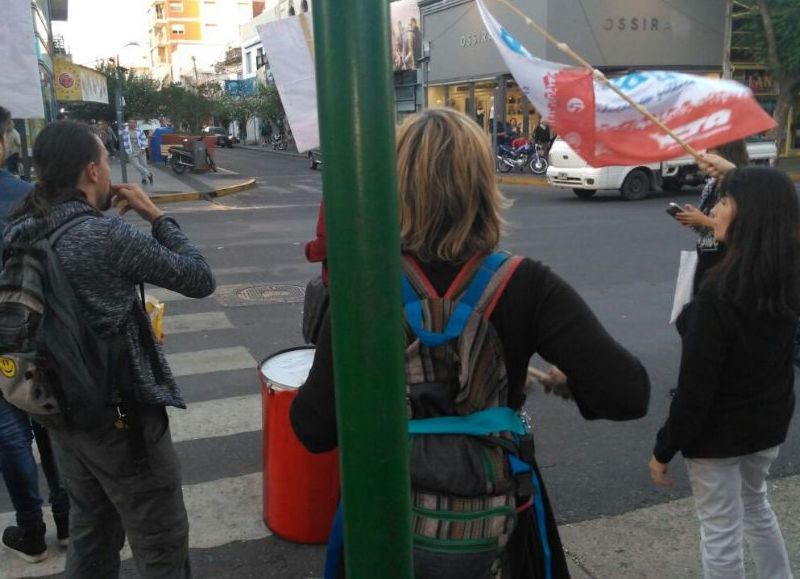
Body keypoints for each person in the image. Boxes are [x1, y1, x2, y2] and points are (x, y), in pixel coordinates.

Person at [289, 108, 650, 578]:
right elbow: (628, 394)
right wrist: (571, 382)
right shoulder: (527, 285)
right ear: (482, 187)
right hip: (500, 535)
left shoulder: (363, 289)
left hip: (388, 527)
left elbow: (311, 429)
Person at [3, 120, 215, 577]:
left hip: (59, 408)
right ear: (93, 172)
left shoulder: (20, 226)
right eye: (102, 158)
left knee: (92, 529)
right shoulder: (103, 235)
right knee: (160, 538)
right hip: (121, 416)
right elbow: (199, 278)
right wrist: (156, 215)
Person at [650, 160, 797, 579]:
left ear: (749, 214)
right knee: (756, 505)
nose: (714, 209)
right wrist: (740, 176)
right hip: (766, 426)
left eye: (726, 200)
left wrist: (664, 448)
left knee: (719, 530)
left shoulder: (718, 298)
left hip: (718, 434)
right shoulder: (785, 277)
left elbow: (695, 391)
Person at [0, 105, 71, 563]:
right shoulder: (27, 196)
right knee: (48, 422)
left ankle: (30, 530)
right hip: (35, 327)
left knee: (9, 433)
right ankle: (66, 521)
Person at [673, 140, 749, 293]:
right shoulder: (711, 185)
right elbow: (706, 223)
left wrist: (704, 220)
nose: (705, 156)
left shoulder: (745, 188)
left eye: (711, 151)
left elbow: (744, 227)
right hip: (706, 260)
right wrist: (694, 220)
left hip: (727, 264)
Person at [120, 118, 154, 186]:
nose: (132, 124)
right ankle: (149, 174)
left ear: (136, 124)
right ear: (128, 123)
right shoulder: (125, 131)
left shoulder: (139, 131)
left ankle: (144, 178)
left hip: (141, 150)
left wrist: (143, 148)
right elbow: (119, 132)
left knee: (144, 165)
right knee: (136, 165)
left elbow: (144, 139)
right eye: (130, 122)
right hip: (131, 151)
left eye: (133, 123)